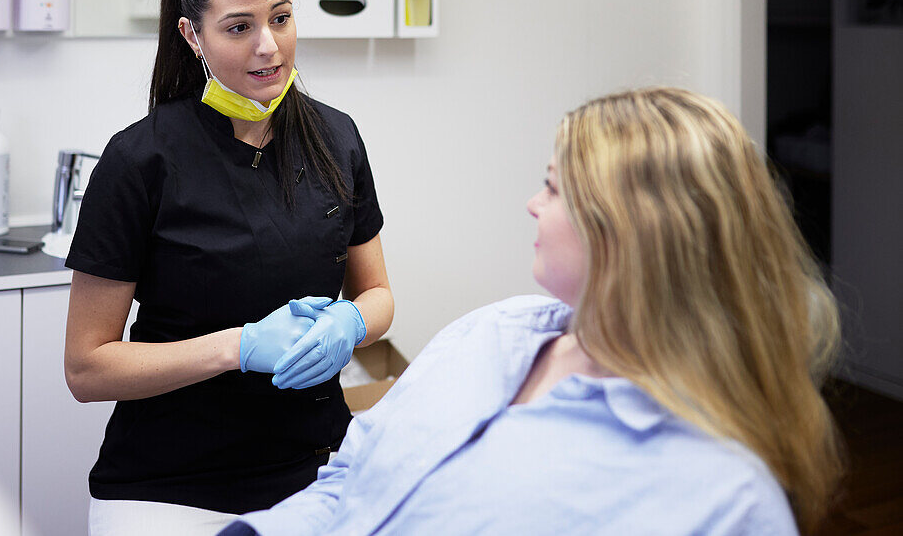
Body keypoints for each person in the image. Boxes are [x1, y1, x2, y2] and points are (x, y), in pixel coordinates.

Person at [219, 87, 843, 536]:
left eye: (552, 186)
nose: (530, 204)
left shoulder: (724, 498)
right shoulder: (491, 332)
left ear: (628, 231)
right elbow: (351, 477)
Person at [63, 0, 394, 534]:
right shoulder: (141, 159)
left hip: (316, 476)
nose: (268, 46)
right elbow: (87, 369)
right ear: (193, 35)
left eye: (282, 19)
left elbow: (377, 297)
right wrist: (235, 349)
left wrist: (351, 323)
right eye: (239, 27)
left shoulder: (336, 137)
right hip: (169, 488)